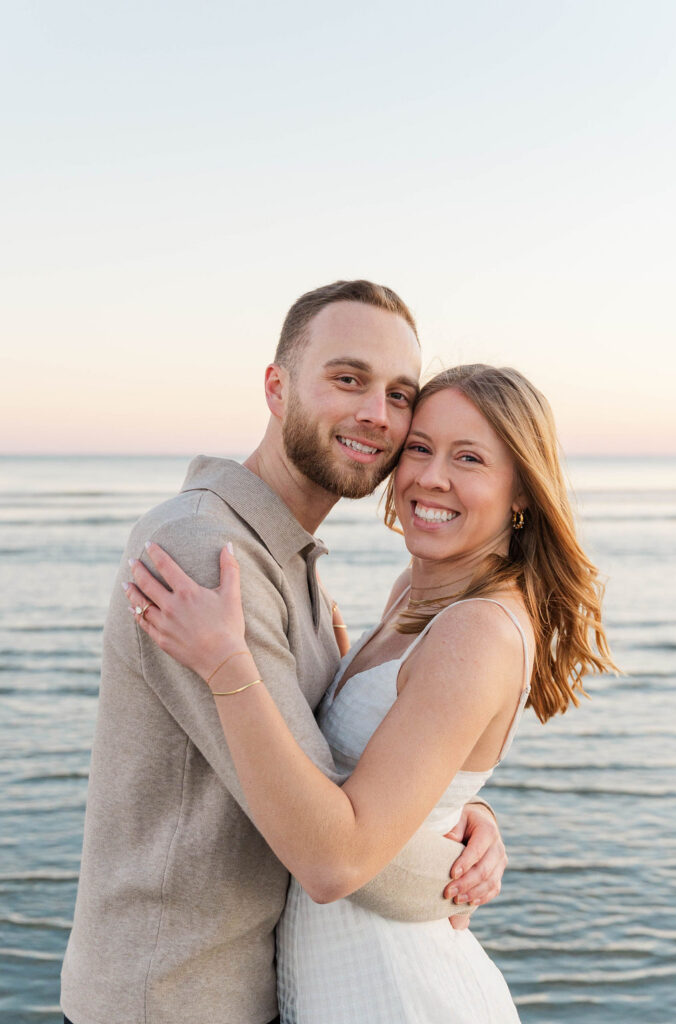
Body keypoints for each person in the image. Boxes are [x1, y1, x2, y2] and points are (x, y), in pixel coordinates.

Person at [60, 282, 507, 1024]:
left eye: (400, 394)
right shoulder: (205, 552)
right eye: (347, 379)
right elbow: (335, 848)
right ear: (276, 387)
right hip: (167, 1003)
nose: (377, 414)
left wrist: (469, 810)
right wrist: (458, 872)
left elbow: (329, 765)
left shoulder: (286, 562)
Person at [124, 362, 616, 1022]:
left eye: (468, 457)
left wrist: (225, 665)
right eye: (420, 447)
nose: (430, 476)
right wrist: (467, 816)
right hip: (342, 980)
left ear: (521, 490)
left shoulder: (477, 629)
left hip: (403, 993)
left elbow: (337, 863)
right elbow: (401, 768)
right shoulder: (413, 595)